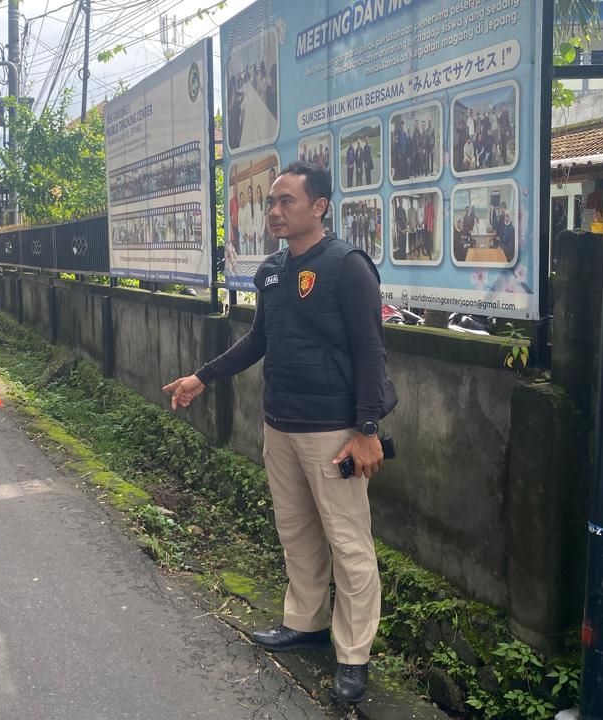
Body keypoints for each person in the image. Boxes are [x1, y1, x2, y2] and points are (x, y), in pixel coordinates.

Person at [162, 162, 395, 704]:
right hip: (281, 425)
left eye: (287, 201)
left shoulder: (348, 266)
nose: (273, 210)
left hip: (333, 431)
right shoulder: (272, 271)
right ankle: (307, 623)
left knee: (348, 542)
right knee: (296, 532)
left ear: (320, 206)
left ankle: (353, 654)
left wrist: (366, 428)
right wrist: (202, 377)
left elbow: (371, 351)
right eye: (271, 202)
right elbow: (256, 342)